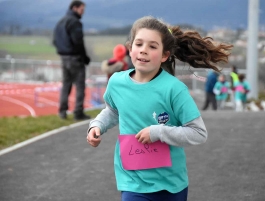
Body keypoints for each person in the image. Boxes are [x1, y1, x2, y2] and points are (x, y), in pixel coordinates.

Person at [86, 16, 232, 201]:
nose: (144, 51)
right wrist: (97, 125)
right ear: (130, 48)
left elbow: (198, 133)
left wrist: (158, 132)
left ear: (165, 55)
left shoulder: (174, 89)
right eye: (139, 44)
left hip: (170, 185)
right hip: (133, 182)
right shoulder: (116, 82)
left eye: (152, 46)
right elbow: (113, 110)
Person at [53, 0, 91, 120]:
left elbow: (55, 41)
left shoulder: (60, 22)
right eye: (81, 10)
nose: (83, 12)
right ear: (75, 8)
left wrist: (62, 52)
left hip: (64, 58)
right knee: (80, 86)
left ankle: (62, 112)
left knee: (66, 85)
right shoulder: (75, 22)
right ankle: (78, 112)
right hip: (75, 58)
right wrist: (84, 57)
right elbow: (78, 42)